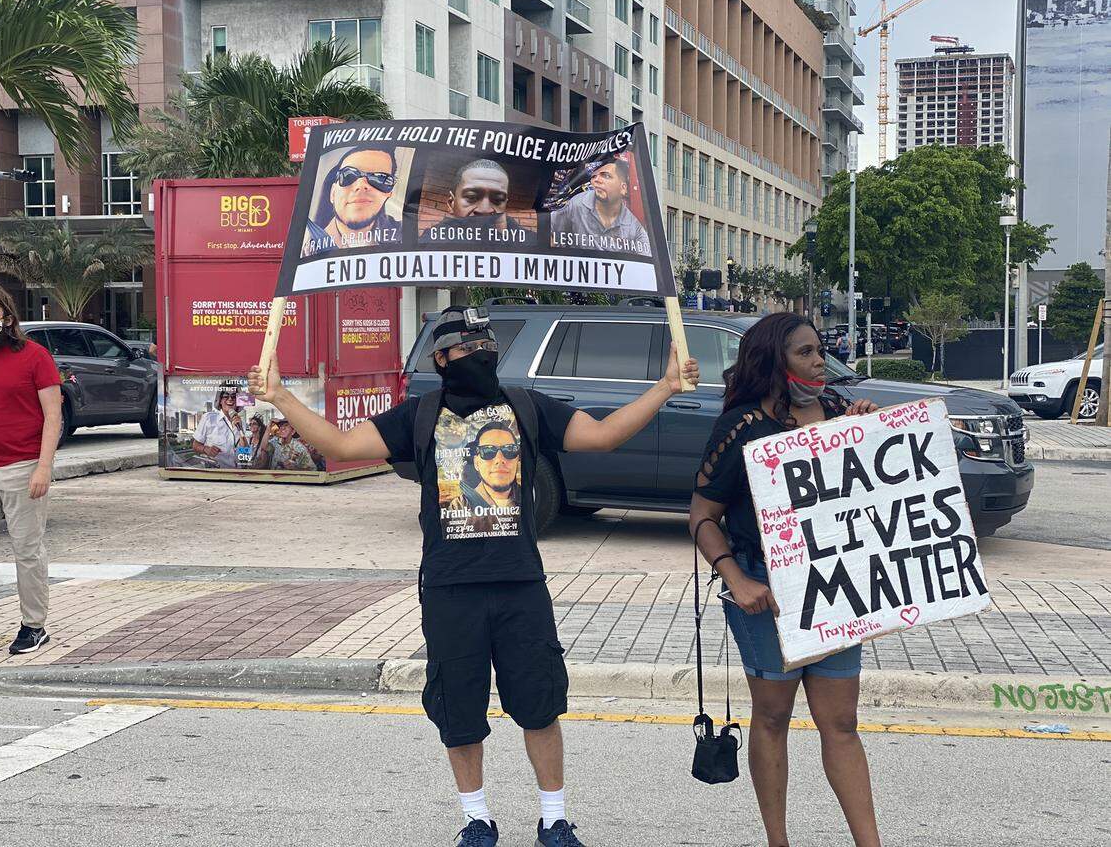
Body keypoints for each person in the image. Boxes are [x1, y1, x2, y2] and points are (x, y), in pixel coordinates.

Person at [249, 306, 699, 847]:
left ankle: (554, 819)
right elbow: (342, 446)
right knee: (458, 709)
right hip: (450, 589)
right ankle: (477, 818)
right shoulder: (418, 416)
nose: (480, 353)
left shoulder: (527, 407)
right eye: (467, 346)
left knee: (540, 704)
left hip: (520, 585)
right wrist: (280, 397)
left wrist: (666, 387)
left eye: (487, 343)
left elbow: (602, 436)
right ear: (441, 359)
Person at [688, 312, 881, 847]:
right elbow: (702, 515)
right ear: (774, 359)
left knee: (840, 722)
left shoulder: (842, 410)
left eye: (820, 350)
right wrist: (736, 580)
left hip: (834, 588)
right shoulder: (744, 428)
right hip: (764, 590)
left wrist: (866, 430)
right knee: (773, 717)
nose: (820, 361)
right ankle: (779, 841)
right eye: (805, 352)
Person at [0, 282, 61, 655]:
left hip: (22, 469)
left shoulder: (34, 357)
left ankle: (33, 626)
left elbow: (53, 418)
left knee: (27, 551)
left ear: (7, 319)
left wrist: (43, 468)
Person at [304, 145, 402, 256]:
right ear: (333, 193)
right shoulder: (309, 249)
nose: (361, 185)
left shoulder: (407, 233)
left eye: (380, 178)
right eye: (348, 175)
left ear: (388, 193)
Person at [549, 157, 650, 256]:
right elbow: (548, 231)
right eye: (594, 176)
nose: (596, 180)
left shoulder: (635, 228)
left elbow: (646, 263)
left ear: (623, 188)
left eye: (606, 176)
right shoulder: (577, 204)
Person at [420, 159, 536, 244]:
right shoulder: (430, 242)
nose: (485, 210)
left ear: (505, 205)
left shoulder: (531, 244)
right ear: (451, 204)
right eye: (471, 197)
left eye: (497, 200)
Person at [191, 385, 246, 468]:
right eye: (226, 396)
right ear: (220, 401)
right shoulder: (209, 418)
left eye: (234, 397)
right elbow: (195, 445)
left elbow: (245, 452)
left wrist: (240, 429)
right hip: (217, 473)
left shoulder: (240, 422)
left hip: (237, 473)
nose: (230, 399)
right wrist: (206, 449)